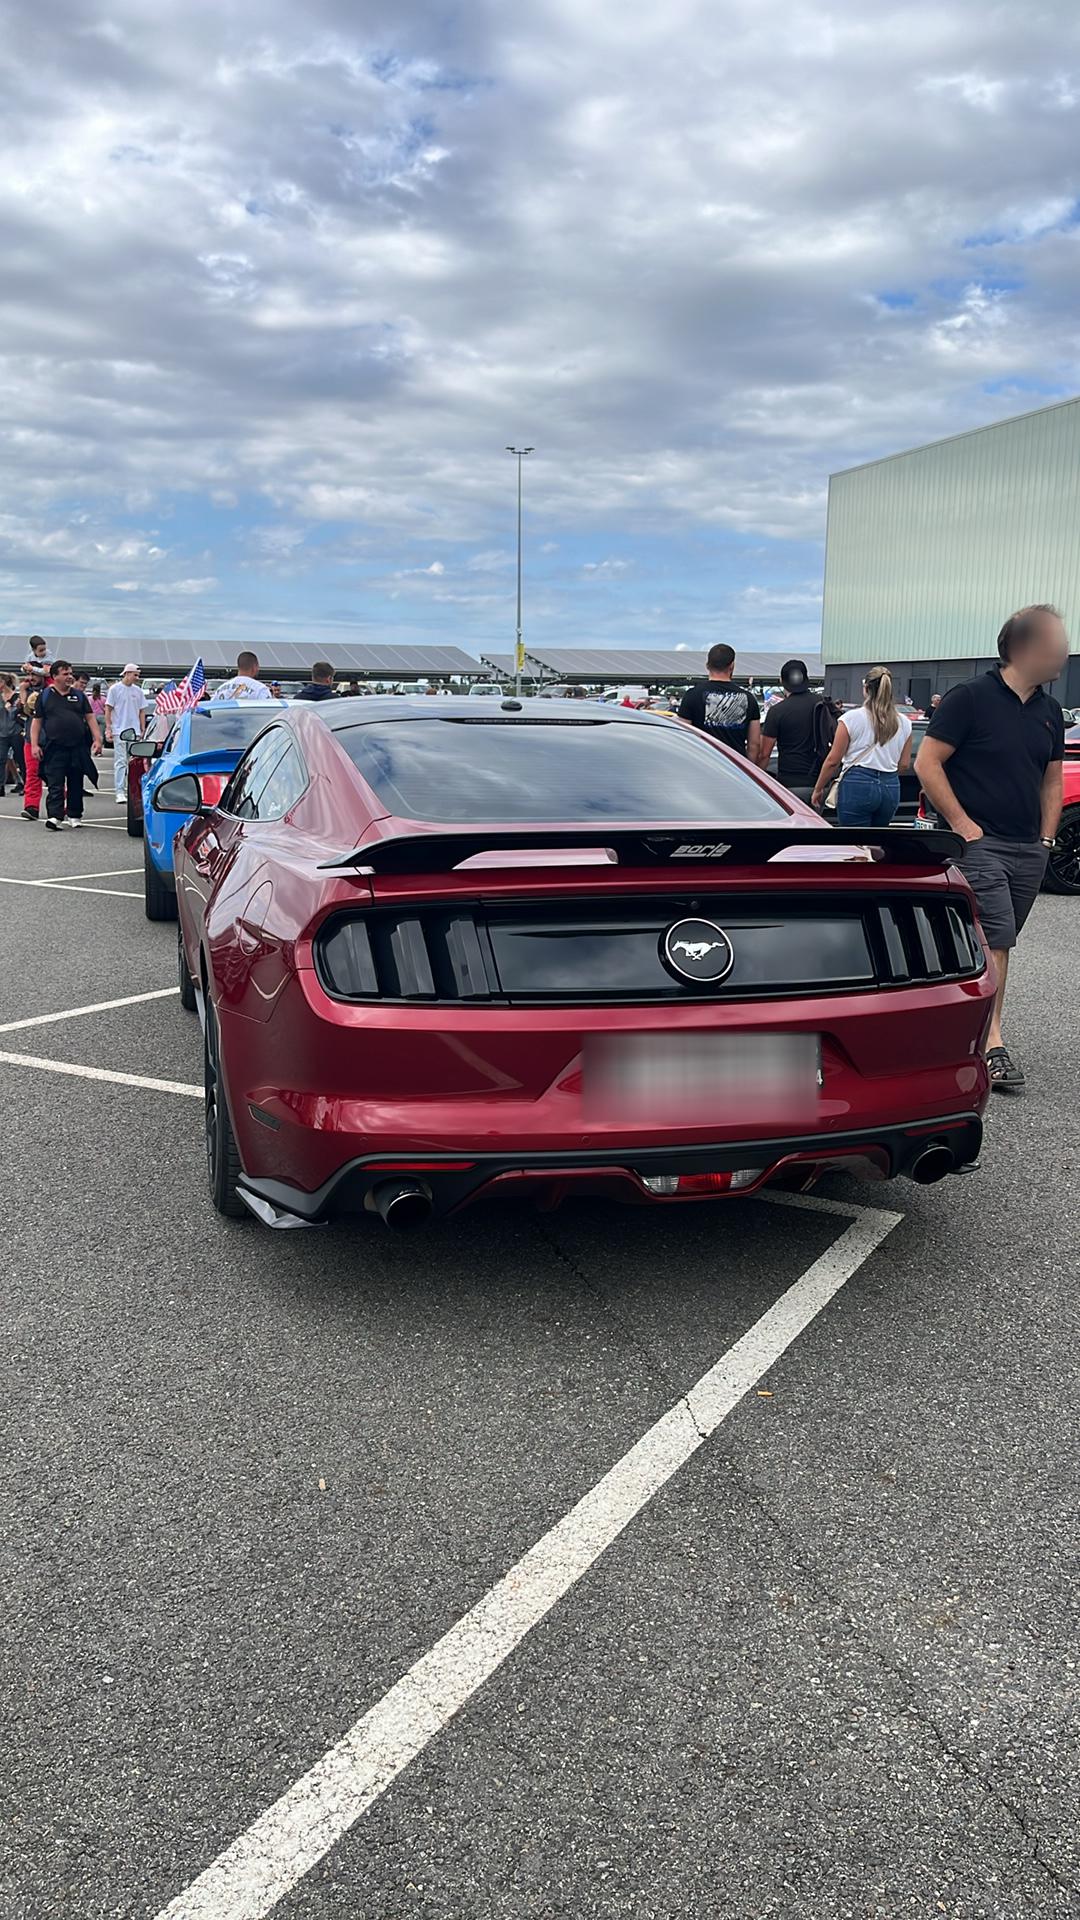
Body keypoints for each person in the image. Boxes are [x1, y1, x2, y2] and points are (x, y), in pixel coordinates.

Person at [915, 604, 1067, 1096]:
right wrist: (963, 825)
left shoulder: (1049, 711)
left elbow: (1051, 780)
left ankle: (957, 1017)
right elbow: (927, 763)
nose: (1065, 650)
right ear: (1023, 647)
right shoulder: (970, 699)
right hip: (980, 846)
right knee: (997, 939)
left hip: (1029, 848)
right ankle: (991, 1042)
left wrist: (1046, 841)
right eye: (1056, 640)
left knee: (992, 943)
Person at [810, 667, 912, 823]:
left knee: (854, 842)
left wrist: (818, 789)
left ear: (866, 689)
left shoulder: (850, 719)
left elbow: (833, 761)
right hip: (890, 785)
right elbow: (904, 764)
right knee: (878, 841)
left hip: (857, 783)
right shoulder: (905, 723)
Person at [30, 659, 102, 829]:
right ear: (55, 676)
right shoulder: (45, 696)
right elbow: (37, 722)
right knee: (55, 783)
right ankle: (55, 816)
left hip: (77, 747)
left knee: (76, 782)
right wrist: (34, 745)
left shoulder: (79, 696)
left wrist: (97, 739)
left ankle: (75, 815)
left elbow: (90, 718)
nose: (70, 677)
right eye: (65, 674)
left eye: (70, 673)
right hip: (54, 747)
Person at [757, 659, 835, 800]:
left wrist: (756, 781)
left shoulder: (777, 711)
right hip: (820, 782)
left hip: (788, 783)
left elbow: (764, 754)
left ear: (782, 680)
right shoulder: (823, 704)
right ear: (807, 679)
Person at [677, 644, 762, 758]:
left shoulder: (692, 695)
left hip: (702, 765)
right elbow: (754, 744)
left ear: (707, 665)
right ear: (732, 666)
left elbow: (682, 737)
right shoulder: (748, 698)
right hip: (735, 769)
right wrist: (747, 770)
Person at [105, 663, 150, 803]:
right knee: (120, 761)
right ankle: (119, 791)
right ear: (127, 673)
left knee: (134, 762)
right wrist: (109, 727)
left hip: (135, 731)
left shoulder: (138, 691)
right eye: (135, 675)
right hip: (119, 730)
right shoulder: (115, 689)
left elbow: (142, 711)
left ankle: (134, 790)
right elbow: (108, 708)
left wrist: (142, 729)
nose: (137, 678)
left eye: (137, 675)